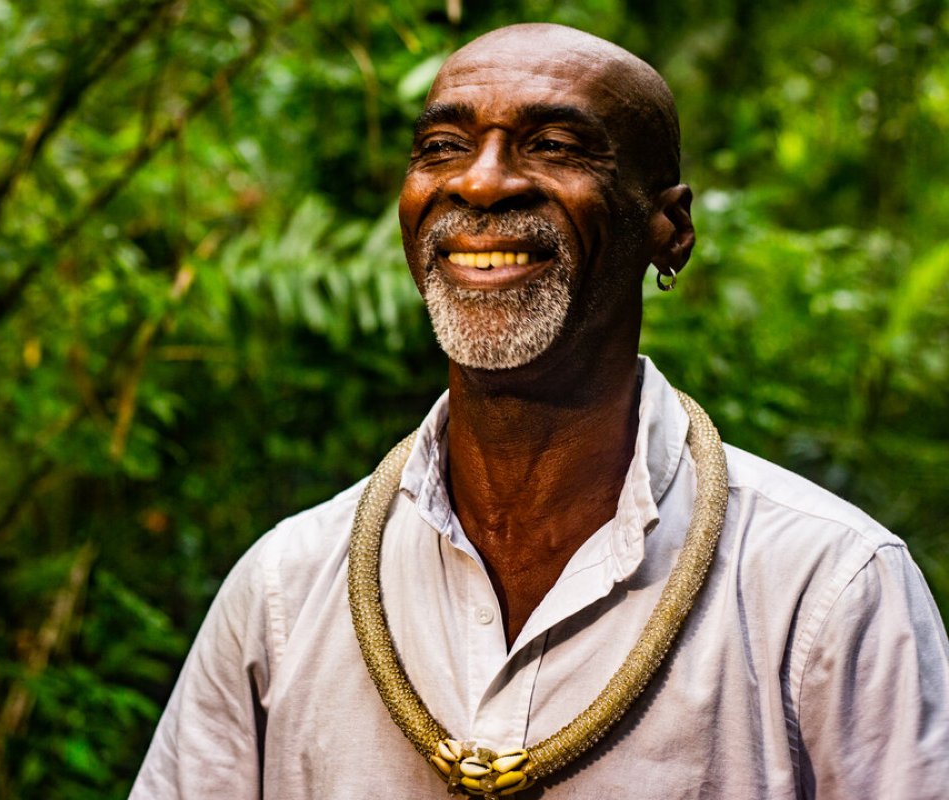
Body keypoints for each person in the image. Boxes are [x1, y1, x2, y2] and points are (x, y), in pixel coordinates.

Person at [130, 24, 949, 799]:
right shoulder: (284, 592)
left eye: (554, 147)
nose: (480, 183)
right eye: (442, 148)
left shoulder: (828, 590)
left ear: (670, 228)